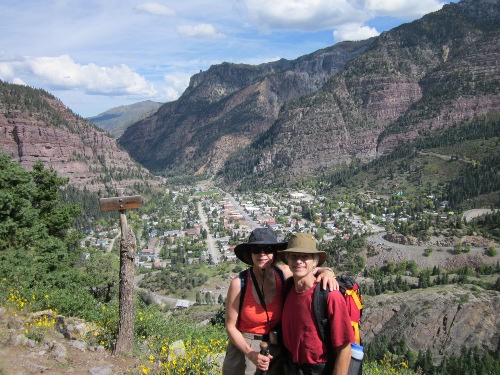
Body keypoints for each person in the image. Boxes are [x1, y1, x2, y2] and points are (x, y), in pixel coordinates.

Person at [222, 228, 338, 375]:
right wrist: (251, 353)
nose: (262, 254)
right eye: (256, 249)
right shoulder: (239, 283)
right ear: (250, 253)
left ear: (275, 253)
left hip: (275, 347)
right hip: (245, 348)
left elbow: (308, 267)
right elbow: (230, 326)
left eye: (268, 249)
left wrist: (328, 272)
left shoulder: (283, 273)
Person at [279, 232, 354, 375]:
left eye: (305, 256)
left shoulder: (329, 295)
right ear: (288, 260)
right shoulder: (288, 287)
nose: (299, 261)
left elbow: (344, 349)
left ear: (315, 261)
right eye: (294, 256)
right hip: (291, 367)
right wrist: (326, 270)